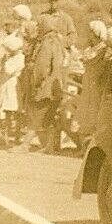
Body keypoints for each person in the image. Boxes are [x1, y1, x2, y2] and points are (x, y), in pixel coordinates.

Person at [17, 14, 66, 153]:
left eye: (39, 25)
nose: (37, 28)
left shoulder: (46, 43)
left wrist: (36, 82)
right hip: (55, 84)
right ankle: (48, 146)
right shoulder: (57, 41)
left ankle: (25, 145)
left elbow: (42, 67)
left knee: (36, 114)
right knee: (46, 117)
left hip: (46, 86)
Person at [0, 34, 25, 147]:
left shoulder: (20, 58)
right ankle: (6, 137)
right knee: (6, 111)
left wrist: (3, 62)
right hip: (7, 84)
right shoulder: (11, 57)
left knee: (15, 111)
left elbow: (8, 70)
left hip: (13, 85)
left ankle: (17, 136)